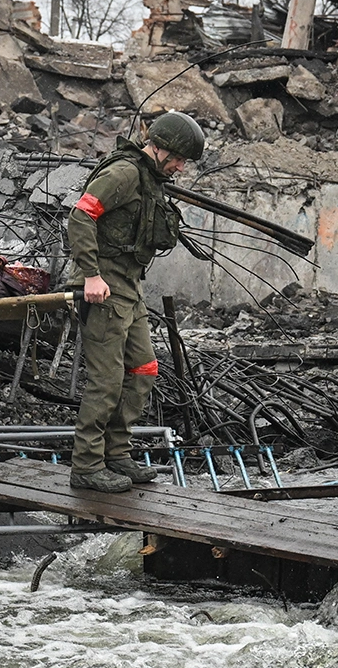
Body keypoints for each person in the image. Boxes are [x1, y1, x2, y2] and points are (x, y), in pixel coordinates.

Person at [66, 111, 205, 493]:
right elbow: (81, 216)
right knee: (107, 381)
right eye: (178, 158)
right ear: (158, 147)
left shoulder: (150, 177)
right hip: (105, 284)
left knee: (143, 369)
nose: (180, 167)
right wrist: (91, 275)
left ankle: (117, 453)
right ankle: (87, 465)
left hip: (129, 284)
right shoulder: (125, 174)